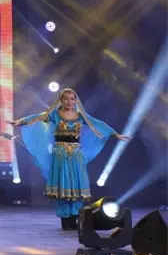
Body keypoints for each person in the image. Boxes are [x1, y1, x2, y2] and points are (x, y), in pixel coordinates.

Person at [8, 88, 130, 230]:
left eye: (72, 99)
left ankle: (75, 217)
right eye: (66, 98)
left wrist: (115, 134)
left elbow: (97, 123)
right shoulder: (55, 114)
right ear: (61, 100)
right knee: (63, 185)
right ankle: (65, 219)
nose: (69, 101)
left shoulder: (80, 116)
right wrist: (20, 122)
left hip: (76, 155)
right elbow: (38, 117)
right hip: (60, 154)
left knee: (75, 185)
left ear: (76, 100)